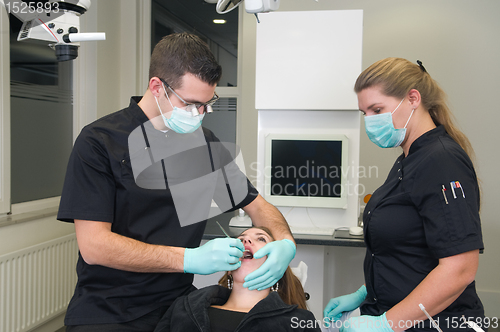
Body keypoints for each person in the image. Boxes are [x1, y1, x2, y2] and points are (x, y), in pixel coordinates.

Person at [57, 32, 296, 331]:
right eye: (191, 103)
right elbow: (94, 246)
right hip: (110, 311)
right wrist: (188, 259)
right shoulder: (100, 141)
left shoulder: (204, 144)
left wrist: (285, 242)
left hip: (178, 307)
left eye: (207, 104)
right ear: (157, 87)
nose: (200, 114)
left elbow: (257, 205)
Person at [323, 58, 485, 332]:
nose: (370, 122)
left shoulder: (441, 161)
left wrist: (386, 324)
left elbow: (459, 269)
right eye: (365, 113)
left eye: (377, 110)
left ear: (413, 99)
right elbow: (409, 252)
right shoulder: (408, 159)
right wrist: (365, 293)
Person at [154, 227, 322, 332]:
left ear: (277, 263)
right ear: (228, 269)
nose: (246, 240)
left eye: (261, 238)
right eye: (240, 240)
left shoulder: (298, 321)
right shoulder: (184, 307)